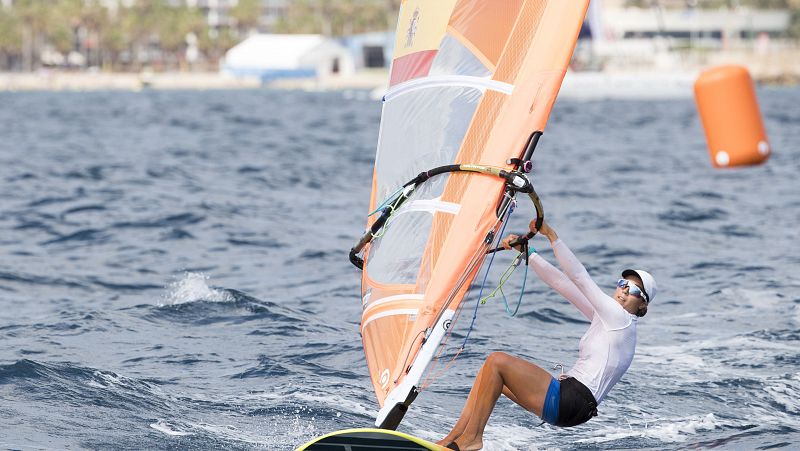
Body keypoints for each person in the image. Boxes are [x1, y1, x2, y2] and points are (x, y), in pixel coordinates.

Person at [437, 219, 657, 451]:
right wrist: (528, 253)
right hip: (573, 408)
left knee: (496, 361)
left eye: (633, 290)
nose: (624, 290)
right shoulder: (606, 318)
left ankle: (471, 439)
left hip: (570, 399)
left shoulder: (619, 319)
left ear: (642, 305)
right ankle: (452, 439)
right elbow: (563, 283)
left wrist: (552, 236)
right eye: (623, 283)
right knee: (489, 379)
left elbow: (580, 277)